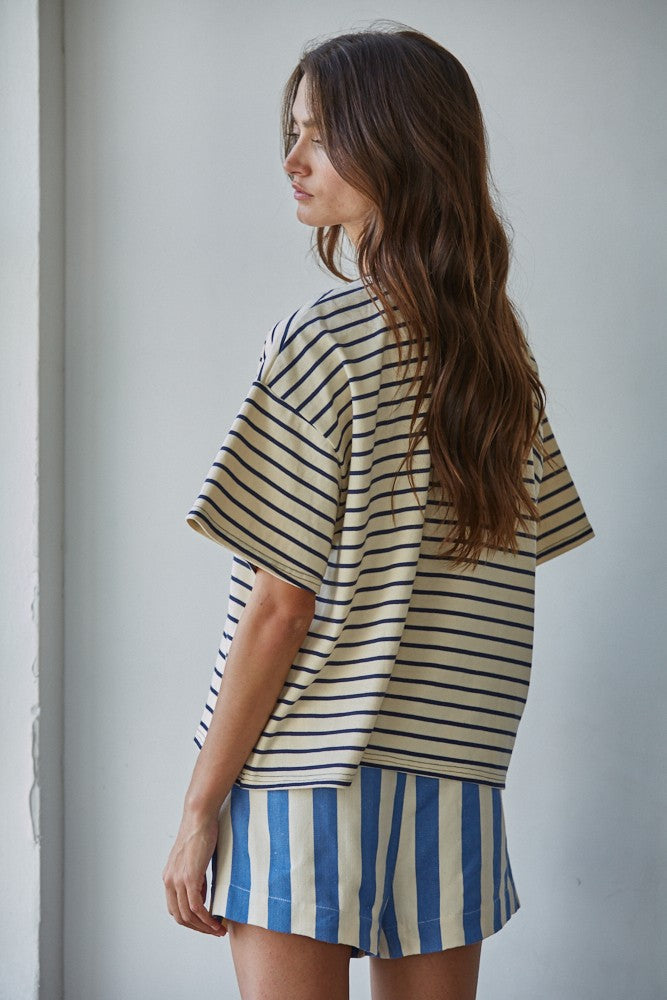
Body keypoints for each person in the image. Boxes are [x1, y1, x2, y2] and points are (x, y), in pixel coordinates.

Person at [162, 23, 595, 1000]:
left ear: (399, 144)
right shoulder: (500, 367)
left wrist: (198, 806)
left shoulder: (319, 340)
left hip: (302, 777)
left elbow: (280, 606)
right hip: (453, 783)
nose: (293, 159)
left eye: (321, 135)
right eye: (293, 132)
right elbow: (501, 569)